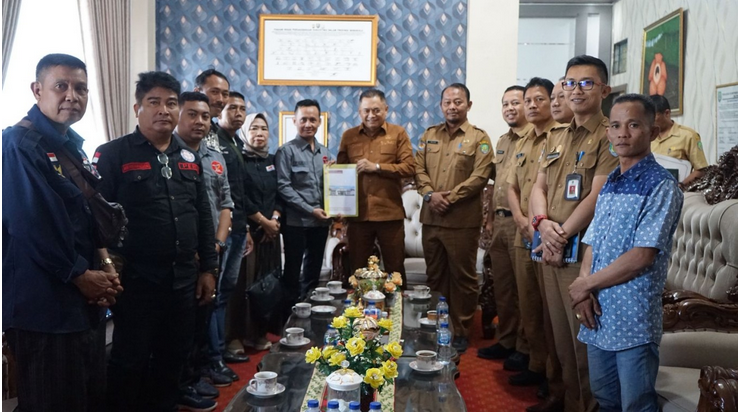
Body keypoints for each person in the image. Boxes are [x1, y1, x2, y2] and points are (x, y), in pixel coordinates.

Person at [2, 53, 121, 412]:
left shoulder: (71, 146)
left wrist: (105, 266)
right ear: (37, 90)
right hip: (45, 307)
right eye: (61, 86)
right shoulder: (18, 145)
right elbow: (31, 224)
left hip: (82, 301)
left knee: (86, 396)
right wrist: (79, 275)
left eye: (81, 88)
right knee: (51, 401)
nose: (72, 95)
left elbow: (86, 216)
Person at [96, 71, 219, 411]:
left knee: (174, 356)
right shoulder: (113, 154)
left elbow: (203, 215)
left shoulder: (190, 157)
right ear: (137, 108)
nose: (164, 110)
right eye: (154, 102)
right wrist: (106, 266)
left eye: (171, 103)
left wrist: (209, 269)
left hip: (183, 278)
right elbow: (96, 220)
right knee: (130, 358)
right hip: (136, 280)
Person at [568, 94, 683, 411]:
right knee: (605, 399)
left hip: (633, 318)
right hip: (598, 313)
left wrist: (586, 284)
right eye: (616, 126)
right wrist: (584, 288)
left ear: (652, 132)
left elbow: (642, 256)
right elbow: (593, 241)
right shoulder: (611, 181)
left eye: (633, 125)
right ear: (608, 132)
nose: (622, 133)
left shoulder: (661, 185)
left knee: (636, 404)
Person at [529, 55, 619, 412]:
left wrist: (560, 234)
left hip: (582, 254)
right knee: (560, 340)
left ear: (604, 90)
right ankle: (567, 402)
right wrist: (541, 224)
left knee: (583, 343)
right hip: (550, 246)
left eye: (586, 83)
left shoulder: (609, 136)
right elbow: (538, 187)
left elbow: (598, 196)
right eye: (570, 83)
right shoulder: (556, 136)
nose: (576, 90)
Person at [414, 83, 493, 353]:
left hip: (462, 222)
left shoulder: (479, 138)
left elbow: (480, 176)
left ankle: (460, 329)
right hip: (431, 219)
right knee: (435, 276)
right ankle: (436, 325)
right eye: (447, 102)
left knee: (463, 278)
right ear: (441, 105)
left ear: (468, 105)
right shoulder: (429, 135)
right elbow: (418, 169)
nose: (452, 107)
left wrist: (449, 198)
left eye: (458, 102)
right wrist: (429, 195)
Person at [174, 91, 235, 408]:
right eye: (192, 114)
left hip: (213, 250)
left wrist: (217, 245)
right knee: (182, 322)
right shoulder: (168, 154)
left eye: (205, 116)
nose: (200, 121)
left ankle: (196, 374)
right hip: (183, 254)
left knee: (204, 313)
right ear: (177, 115)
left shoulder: (215, 155)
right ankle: (181, 381)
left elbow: (226, 204)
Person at [507, 77, 563, 411]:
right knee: (528, 302)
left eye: (539, 99)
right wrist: (521, 220)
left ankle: (553, 376)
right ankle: (537, 364)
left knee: (549, 310)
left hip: (550, 234)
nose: (531, 105)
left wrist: (537, 224)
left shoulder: (560, 136)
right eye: (527, 100)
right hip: (524, 231)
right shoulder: (524, 140)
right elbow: (513, 186)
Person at [477, 86, 533, 371]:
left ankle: (525, 348)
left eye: (516, 103)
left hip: (520, 222)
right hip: (499, 221)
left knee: (524, 290)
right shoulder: (502, 141)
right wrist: (489, 220)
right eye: (505, 104)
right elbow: (496, 183)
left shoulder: (536, 139)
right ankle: (507, 339)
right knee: (504, 288)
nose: (510, 108)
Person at [337, 89, 415, 286]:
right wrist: (333, 172)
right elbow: (341, 174)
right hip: (358, 216)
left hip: (390, 215)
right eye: (366, 110)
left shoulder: (398, 133)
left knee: (395, 271)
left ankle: (396, 306)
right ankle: (359, 307)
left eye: (376, 110)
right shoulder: (349, 136)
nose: (371, 115)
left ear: (386, 109)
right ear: (359, 111)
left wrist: (378, 167)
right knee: (357, 272)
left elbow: (409, 168)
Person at [208, 89, 253, 382]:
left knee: (225, 293)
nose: (237, 113)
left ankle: (220, 350)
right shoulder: (212, 141)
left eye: (242, 109)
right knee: (213, 295)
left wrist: (246, 228)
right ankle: (213, 358)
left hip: (237, 229)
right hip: (219, 231)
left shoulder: (237, 142)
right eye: (231, 107)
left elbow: (238, 192)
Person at [276, 99, 332, 310]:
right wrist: (311, 210)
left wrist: (337, 208)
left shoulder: (326, 154)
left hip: (320, 223)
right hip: (295, 223)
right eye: (303, 120)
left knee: (313, 273)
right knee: (292, 274)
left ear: (319, 122)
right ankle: (289, 318)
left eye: (312, 120)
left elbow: (331, 187)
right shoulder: (286, 151)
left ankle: (310, 313)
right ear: (295, 121)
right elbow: (283, 187)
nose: (308, 124)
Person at [234, 112, 282, 351]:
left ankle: (262, 332)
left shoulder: (273, 160)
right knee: (246, 285)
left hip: (271, 232)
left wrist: (274, 220)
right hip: (248, 232)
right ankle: (241, 335)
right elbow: (240, 197)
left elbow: (280, 193)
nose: (259, 133)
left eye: (263, 128)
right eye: (253, 128)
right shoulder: (239, 160)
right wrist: (262, 222)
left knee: (268, 284)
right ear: (244, 132)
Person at [648, 94, 708, 186]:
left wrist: (681, 185)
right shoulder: (647, 136)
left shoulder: (688, 135)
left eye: (653, 117)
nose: (650, 121)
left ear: (667, 113)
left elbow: (701, 170)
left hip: (679, 191)